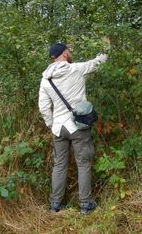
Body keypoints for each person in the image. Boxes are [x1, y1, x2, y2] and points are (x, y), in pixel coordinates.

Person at [38, 39, 109, 214]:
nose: (70, 52)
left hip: (59, 127)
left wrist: (51, 124)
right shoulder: (76, 69)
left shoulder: (46, 79)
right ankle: (85, 204)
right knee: (83, 164)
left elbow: (43, 107)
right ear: (63, 53)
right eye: (68, 50)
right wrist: (106, 49)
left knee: (59, 165)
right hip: (78, 126)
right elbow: (98, 62)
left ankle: (55, 204)